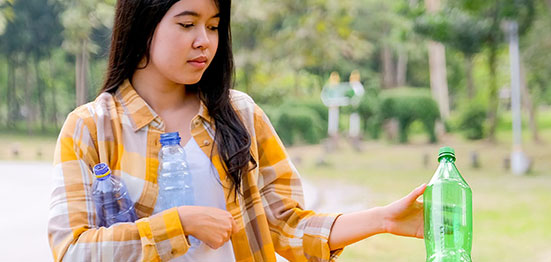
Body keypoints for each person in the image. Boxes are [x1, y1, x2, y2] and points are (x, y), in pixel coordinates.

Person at [46, 0, 426, 261]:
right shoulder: (91, 128)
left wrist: (383, 220)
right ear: (143, 24)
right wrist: (178, 225)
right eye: (187, 23)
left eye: (213, 26)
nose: (204, 41)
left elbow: (288, 225)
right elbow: (74, 251)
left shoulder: (240, 114)